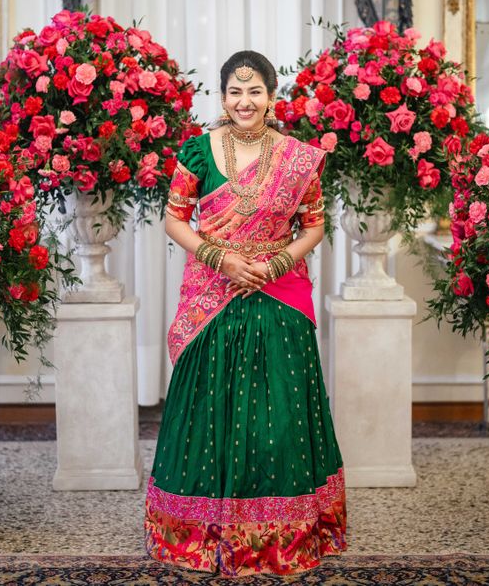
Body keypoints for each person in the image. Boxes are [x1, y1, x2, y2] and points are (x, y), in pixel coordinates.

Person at [144, 51, 347, 577]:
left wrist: (275, 262)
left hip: (278, 298)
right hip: (213, 296)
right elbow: (174, 220)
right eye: (235, 92)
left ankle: (287, 532)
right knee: (209, 413)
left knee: (277, 417)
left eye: (254, 91)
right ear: (222, 96)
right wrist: (222, 258)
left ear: (272, 97)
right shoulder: (197, 152)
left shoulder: (298, 159)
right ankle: (197, 529)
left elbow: (314, 226)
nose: (244, 101)